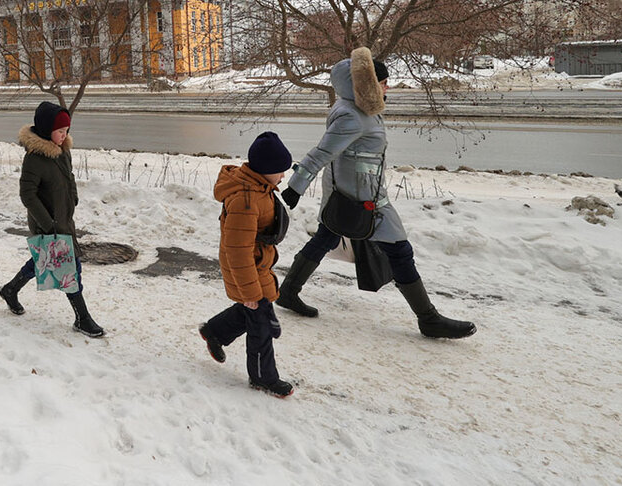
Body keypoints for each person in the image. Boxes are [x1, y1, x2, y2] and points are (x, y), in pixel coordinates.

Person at [276, 48, 476, 339]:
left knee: (326, 238)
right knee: (400, 250)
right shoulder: (352, 116)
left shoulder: (357, 109)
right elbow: (322, 152)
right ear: (366, 85)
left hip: (352, 194)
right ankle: (428, 318)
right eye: (382, 82)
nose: (387, 87)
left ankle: (288, 291)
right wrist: (296, 186)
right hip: (364, 201)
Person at [198, 132, 295, 398]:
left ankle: (215, 331)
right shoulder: (245, 199)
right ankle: (264, 378)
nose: (282, 177)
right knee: (260, 325)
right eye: (279, 172)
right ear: (265, 170)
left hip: (257, 266)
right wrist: (249, 292)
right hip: (247, 268)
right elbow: (237, 250)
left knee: (255, 311)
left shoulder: (260, 189)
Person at [0, 101, 104, 338]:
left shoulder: (63, 151)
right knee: (70, 267)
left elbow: (70, 177)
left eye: (67, 130)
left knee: (42, 261)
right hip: (48, 223)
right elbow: (27, 194)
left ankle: (10, 289)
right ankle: (82, 318)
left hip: (64, 219)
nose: (64, 135)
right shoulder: (34, 159)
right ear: (47, 130)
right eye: (60, 131)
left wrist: (73, 197)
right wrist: (47, 223)